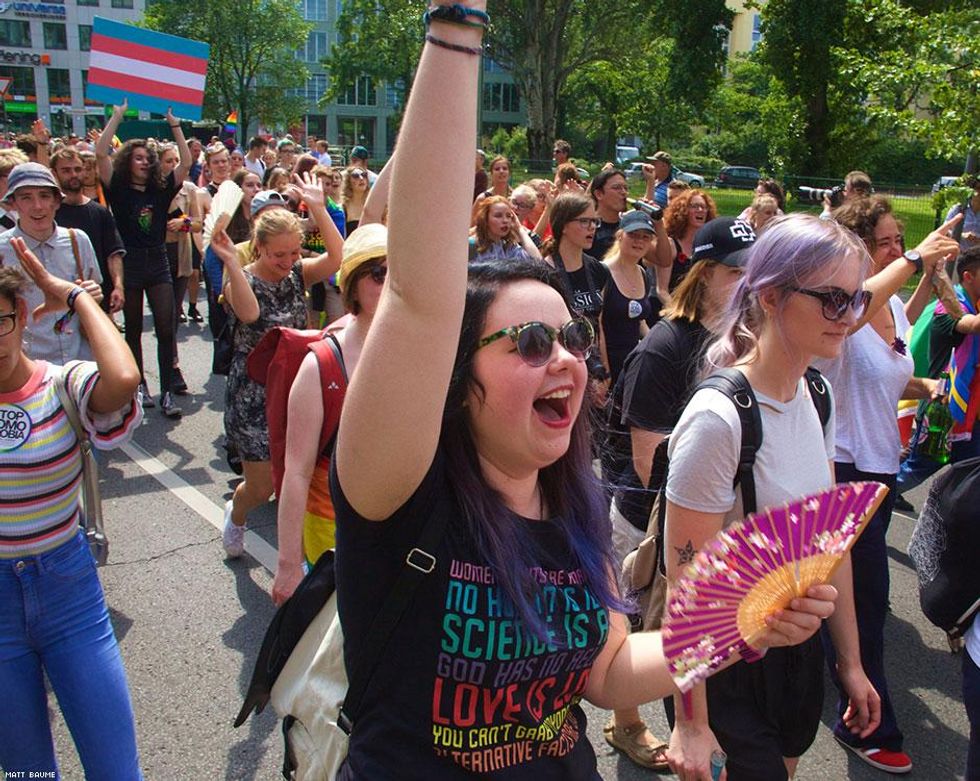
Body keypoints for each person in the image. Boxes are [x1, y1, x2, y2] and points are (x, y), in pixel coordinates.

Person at [330, 24, 838, 778]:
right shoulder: (400, 488)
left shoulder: (573, 501)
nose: (566, 356)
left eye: (569, 335)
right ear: (453, 374)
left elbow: (604, 672)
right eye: (531, 341)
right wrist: (458, 24)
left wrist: (743, 623)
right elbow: (417, 293)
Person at [664, 214, 882, 781]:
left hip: (798, 654)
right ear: (769, 295)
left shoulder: (818, 392)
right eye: (833, 299)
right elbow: (688, 584)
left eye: (857, 298)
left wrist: (851, 665)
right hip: (730, 664)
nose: (851, 316)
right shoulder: (719, 419)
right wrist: (691, 721)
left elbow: (833, 544)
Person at [810, 196, 960, 774]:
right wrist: (920, 258)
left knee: (843, 598)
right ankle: (867, 720)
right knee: (863, 602)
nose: (899, 249)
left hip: (880, 470)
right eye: (888, 241)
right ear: (857, 250)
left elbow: (893, 371)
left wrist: (931, 389)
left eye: (903, 240)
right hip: (841, 470)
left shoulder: (894, 306)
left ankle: (824, 683)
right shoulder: (842, 305)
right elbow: (851, 310)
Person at [603, 216, 755, 773]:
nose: (748, 282)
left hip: (705, 519)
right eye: (737, 272)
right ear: (705, 272)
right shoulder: (665, 348)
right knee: (636, 629)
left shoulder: (741, 338)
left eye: (755, 271)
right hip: (646, 519)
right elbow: (647, 458)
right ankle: (626, 725)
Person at [0, 242, 143, 779]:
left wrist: (78, 299)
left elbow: (124, 380)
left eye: (1, 320)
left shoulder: (62, 384)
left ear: (21, 317)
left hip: (69, 595)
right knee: (26, 774)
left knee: (115, 770)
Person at [214, 190, 342, 559]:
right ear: (259, 247)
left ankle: (301, 554)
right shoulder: (240, 277)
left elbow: (336, 258)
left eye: (293, 253)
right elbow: (251, 314)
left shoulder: (297, 272)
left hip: (297, 383)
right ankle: (237, 514)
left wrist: (318, 207)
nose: (287, 262)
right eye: (277, 254)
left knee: (301, 472)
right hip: (255, 390)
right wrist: (230, 263)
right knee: (262, 487)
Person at [272, 223, 387, 605]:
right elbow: (298, 470)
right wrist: (288, 565)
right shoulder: (320, 364)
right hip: (331, 528)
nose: (391, 282)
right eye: (378, 272)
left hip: (399, 525)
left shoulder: (419, 350)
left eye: (399, 272)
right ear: (353, 284)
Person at [95, 100, 191, 417]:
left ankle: (166, 394)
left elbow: (186, 162)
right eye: (138, 158)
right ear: (128, 161)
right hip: (131, 263)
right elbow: (100, 153)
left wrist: (174, 125)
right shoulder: (118, 189)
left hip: (158, 262)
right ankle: (140, 390)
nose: (144, 162)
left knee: (166, 328)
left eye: (147, 158)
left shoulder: (160, 190)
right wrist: (118, 116)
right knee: (134, 329)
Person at [0, 163, 103, 365]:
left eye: (45, 196)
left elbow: (94, 292)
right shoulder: (3, 250)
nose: (37, 206)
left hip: (80, 363)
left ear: (56, 202)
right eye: (26, 197)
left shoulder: (77, 240)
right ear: (13, 204)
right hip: (28, 370)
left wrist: (93, 295)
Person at [50, 147, 125, 317]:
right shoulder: (49, 213)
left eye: (77, 169)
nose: (73, 175)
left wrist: (118, 286)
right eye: (66, 170)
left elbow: (113, 253)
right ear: (54, 173)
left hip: (97, 296)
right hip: (60, 300)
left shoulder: (100, 212)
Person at [599, 210, 658, 386]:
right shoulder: (602, 272)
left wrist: (656, 347)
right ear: (619, 236)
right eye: (633, 235)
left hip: (632, 363)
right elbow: (597, 324)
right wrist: (604, 371)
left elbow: (640, 321)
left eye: (646, 237)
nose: (639, 241)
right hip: (608, 360)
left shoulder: (642, 273)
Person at [656, 188, 719, 295]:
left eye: (704, 207)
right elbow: (662, 290)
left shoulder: (710, 247)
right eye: (694, 206)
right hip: (670, 306)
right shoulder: (671, 245)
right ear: (683, 211)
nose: (700, 210)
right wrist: (676, 311)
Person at [468, 195, 540, 262]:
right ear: (485, 219)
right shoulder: (471, 246)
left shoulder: (509, 248)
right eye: (498, 216)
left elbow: (538, 262)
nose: (505, 220)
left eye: (508, 216)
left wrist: (519, 229)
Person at [588, 168, 629, 262]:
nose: (623, 192)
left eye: (625, 188)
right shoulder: (588, 227)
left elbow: (663, 260)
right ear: (599, 194)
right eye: (616, 188)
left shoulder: (629, 227)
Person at [946, 175, 980, 252]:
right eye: (978, 188)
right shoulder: (958, 209)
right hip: (957, 253)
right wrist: (962, 235)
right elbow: (945, 231)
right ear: (971, 191)